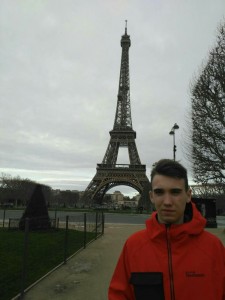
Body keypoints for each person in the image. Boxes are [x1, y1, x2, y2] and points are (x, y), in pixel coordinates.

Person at [108, 159, 225, 300]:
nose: (167, 202)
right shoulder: (132, 245)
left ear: (188, 195)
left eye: (175, 192)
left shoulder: (214, 247)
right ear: (151, 196)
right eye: (159, 192)